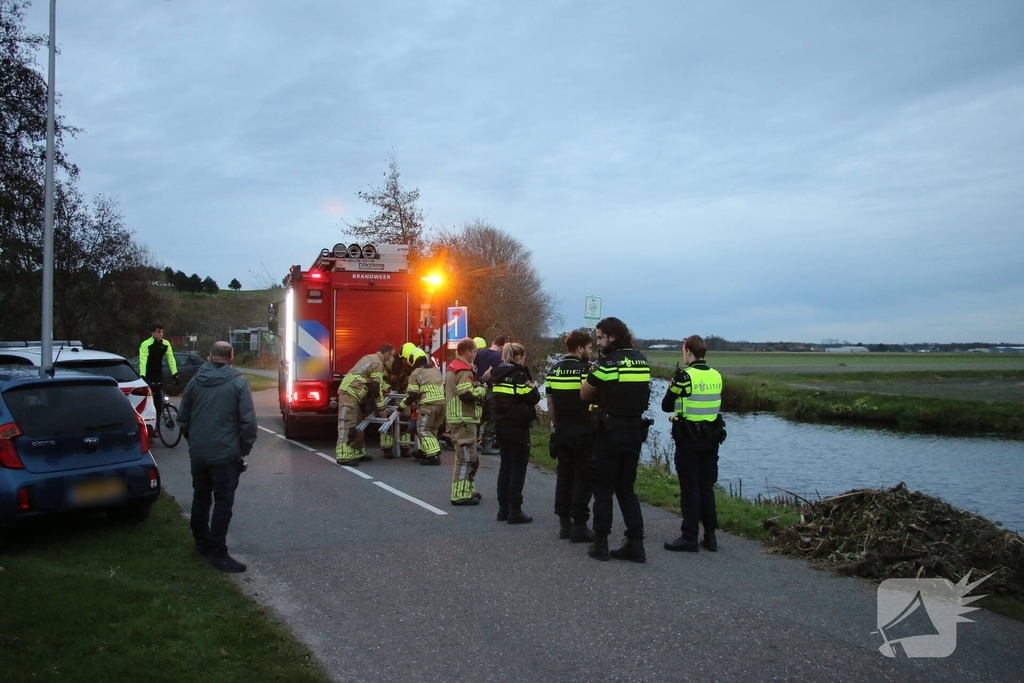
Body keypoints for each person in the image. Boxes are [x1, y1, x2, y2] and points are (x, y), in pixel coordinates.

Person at [177, 341, 257, 573]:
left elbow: (183, 418)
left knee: (201, 497)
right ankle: (218, 552)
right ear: (232, 357)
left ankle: (201, 544)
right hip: (225, 455)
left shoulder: (194, 382)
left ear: (209, 357)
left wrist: (194, 443)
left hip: (199, 455)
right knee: (223, 502)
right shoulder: (238, 383)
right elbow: (248, 423)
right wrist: (243, 450)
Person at [580, 317, 651, 562]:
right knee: (626, 489)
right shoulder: (642, 361)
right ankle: (636, 543)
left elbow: (584, 393)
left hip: (609, 432)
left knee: (603, 490)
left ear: (612, 337)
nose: (597, 342)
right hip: (634, 432)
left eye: (600, 337)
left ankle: (600, 544)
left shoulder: (607, 364)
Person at [662, 335, 726, 553]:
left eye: (683, 351)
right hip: (711, 439)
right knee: (706, 487)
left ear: (688, 351)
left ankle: (689, 536)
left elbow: (666, 406)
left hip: (689, 439)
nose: (683, 354)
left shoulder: (684, 377)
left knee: (690, 487)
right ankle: (710, 536)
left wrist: (673, 385)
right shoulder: (716, 375)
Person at [546, 329, 596, 542]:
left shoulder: (554, 371)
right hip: (584, 430)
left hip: (563, 430)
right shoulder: (586, 371)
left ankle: (564, 523)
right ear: (580, 348)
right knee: (583, 478)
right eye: (589, 347)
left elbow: (550, 403)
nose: (591, 351)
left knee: (564, 477)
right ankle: (580, 525)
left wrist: (555, 427)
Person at [491, 342, 541, 524]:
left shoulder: (497, 375)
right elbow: (533, 397)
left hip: (501, 426)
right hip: (518, 427)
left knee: (505, 467)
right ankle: (515, 510)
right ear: (519, 357)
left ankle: (502, 509)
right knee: (518, 469)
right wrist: (533, 385)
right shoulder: (519, 376)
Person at [336, 344, 394, 466]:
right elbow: (375, 387)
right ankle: (343, 455)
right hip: (350, 393)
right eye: (390, 356)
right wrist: (381, 408)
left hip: (352, 393)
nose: (390, 359)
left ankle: (357, 452)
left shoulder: (370, 358)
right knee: (347, 424)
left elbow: (373, 381)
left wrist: (385, 388)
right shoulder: (377, 364)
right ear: (386, 354)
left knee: (357, 424)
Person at [445, 338, 486, 505]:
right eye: (474, 351)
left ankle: (467, 489)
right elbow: (465, 394)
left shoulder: (454, 367)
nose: (475, 354)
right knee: (466, 458)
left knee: (470, 457)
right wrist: (482, 390)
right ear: (468, 351)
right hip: (463, 419)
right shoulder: (463, 370)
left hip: (460, 419)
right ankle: (460, 495)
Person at [400, 348, 446, 467]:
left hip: (428, 405)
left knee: (423, 430)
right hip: (442, 404)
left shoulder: (416, 373)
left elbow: (412, 395)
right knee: (432, 430)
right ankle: (424, 452)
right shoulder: (436, 370)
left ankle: (434, 455)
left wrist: (401, 406)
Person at [473, 335, 506, 455]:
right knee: (492, 417)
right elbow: (489, 372)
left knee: (479, 416)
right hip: (490, 390)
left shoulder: (480, 352)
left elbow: (473, 368)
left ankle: (473, 443)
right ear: (502, 346)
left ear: (492, 342)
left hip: (478, 389)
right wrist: (484, 381)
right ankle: (487, 446)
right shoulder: (498, 356)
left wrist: (476, 383)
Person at [139, 323, 179, 414]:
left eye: (162, 332)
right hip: (148, 374)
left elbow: (171, 359)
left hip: (158, 373)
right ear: (152, 333)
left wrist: (175, 374)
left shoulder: (166, 344)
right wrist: (142, 375)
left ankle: (158, 420)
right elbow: (143, 360)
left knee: (159, 401)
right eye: (158, 332)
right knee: (149, 398)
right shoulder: (146, 344)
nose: (160, 334)